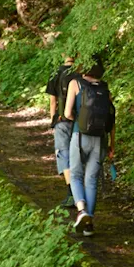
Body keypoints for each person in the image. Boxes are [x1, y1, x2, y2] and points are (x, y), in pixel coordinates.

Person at [64, 53, 115, 236]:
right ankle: (89, 225)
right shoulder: (105, 88)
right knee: (91, 180)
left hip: (80, 136)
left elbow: (67, 112)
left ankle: (81, 210)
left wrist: (78, 119)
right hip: (100, 139)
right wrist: (112, 145)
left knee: (76, 175)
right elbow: (111, 118)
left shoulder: (75, 84)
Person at [46, 55, 76, 207]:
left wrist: (53, 120)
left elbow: (53, 101)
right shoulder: (81, 72)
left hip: (62, 120)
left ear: (64, 56)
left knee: (64, 154)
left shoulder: (56, 73)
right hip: (80, 121)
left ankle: (71, 193)